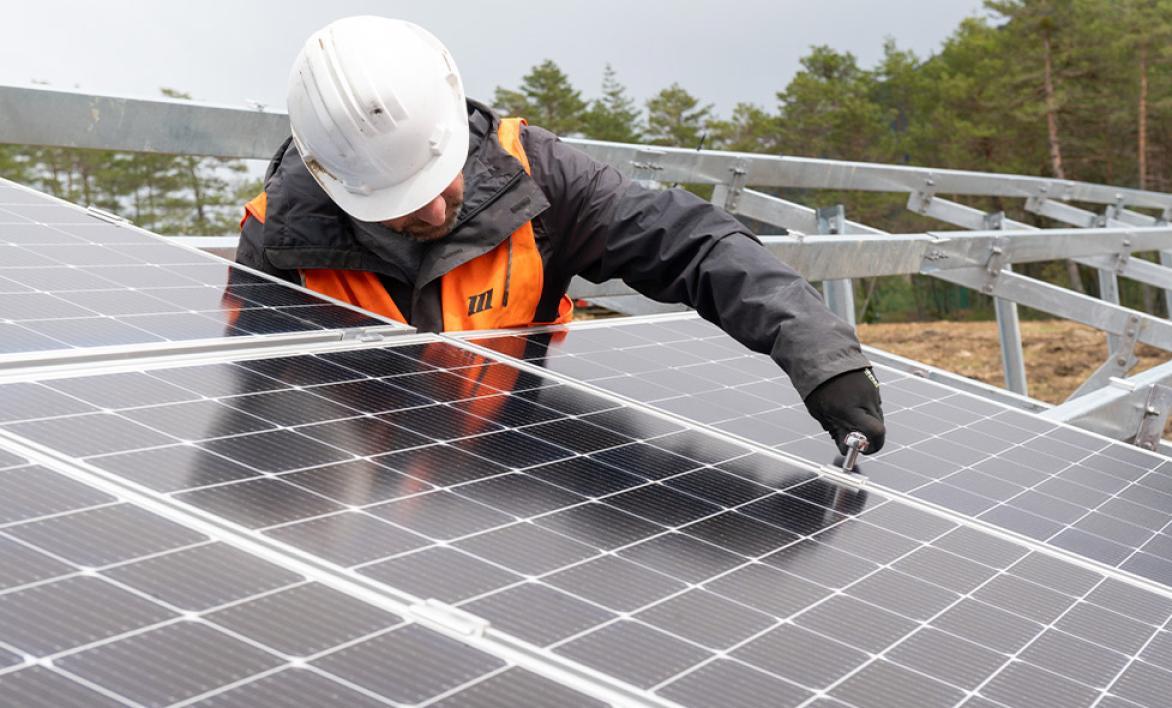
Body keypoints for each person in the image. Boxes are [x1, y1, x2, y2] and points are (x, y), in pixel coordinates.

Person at [236, 16, 885, 457]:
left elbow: (691, 243)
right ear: (333, 182)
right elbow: (255, 424)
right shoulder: (279, 239)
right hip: (359, 497)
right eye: (398, 201)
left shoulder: (538, 176)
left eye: (439, 178)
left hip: (518, 469)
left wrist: (822, 354)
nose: (433, 213)